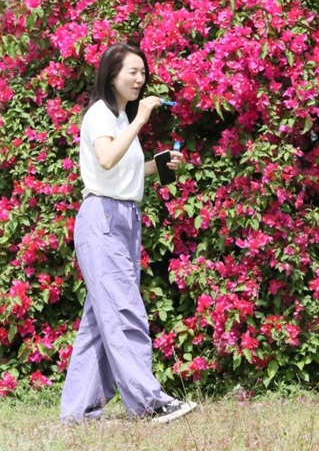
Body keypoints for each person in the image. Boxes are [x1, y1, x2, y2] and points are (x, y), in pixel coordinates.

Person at [61, 43, 196, 424]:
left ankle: (79, 412)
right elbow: (105, 159)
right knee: (124, 310)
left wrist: (162, 165)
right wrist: (141, 120)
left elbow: (121, 170)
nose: (140, 80)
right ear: (111, 74)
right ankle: (150, 402)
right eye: (131, 72)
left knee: (98, 320)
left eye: (142, 73)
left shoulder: (119, 118)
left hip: (124, 216)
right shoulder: (101, 114)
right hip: (102, 218)